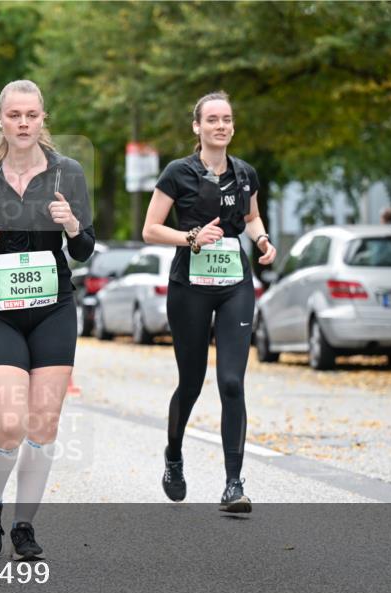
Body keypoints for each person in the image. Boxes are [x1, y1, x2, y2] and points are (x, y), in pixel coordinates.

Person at [0, 80, 94, 560]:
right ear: (1, 119)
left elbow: (84, 247)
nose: (23, 123)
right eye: (14, 115)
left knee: (43, 425)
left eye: (31, 115)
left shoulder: (67, 172)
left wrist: (71, 224)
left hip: (52, 307)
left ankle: (24, 525)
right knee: (9, 423)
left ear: (42, 119)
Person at [141, 91, 277, 513]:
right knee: (192, 381)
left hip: (235, 282)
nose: (221, 126)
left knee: (232, 382)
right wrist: (192, 237)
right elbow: (150, 229)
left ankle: (233, 484)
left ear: (233, 126)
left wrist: (263, 240)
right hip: (190, 284)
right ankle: (174, 454)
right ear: (197, 127)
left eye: (227, 119)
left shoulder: (245, 173)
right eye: (212, 119)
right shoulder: (177, 173)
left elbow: (251, 217)